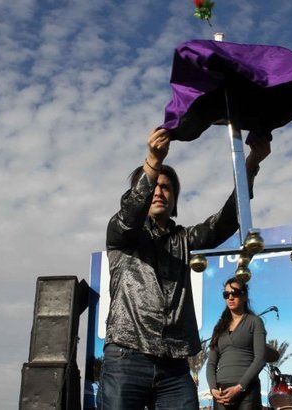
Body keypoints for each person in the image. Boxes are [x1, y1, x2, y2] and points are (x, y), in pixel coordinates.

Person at [101, 127, 270, 409]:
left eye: (166, 187)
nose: (158, 192)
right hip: (127, 355)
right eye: (153, 185)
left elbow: (225, 222)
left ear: (175, 199)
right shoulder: (122, 232)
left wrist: (251, 163)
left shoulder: (184, 238)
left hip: (175, 364)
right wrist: (154, 161)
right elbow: (130, 214)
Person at [206, 278, 266, 409]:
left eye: (235, 293)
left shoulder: (255, 322)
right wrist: (213, 389)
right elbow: (211, 363)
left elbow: (260, 359)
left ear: (245, 296)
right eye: (226, 294)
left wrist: (240, 387)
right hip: (221, 393)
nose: (230, 297)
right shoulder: (219, 327)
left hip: (247, 391)